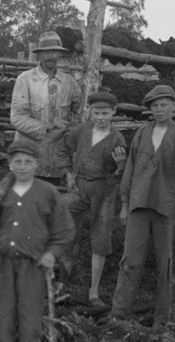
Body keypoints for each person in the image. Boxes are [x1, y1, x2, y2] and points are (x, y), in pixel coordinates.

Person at [0, 135, 74, 342]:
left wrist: (52, 253)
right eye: (17, 162)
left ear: (36, 164)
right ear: (10, 164)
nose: (22, 167)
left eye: (27, 162)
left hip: (32, 266)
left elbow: (65, 230)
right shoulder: (1, 191)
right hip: (4, 264)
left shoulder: (48, 193)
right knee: (3, 319)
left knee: (30, 323)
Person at [108, 84, 175, 327]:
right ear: (150, 109)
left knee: (166, 265)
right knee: (130, 261)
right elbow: (130, 169)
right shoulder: (142, 133)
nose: (159, 110)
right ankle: (118, 313)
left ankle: (162, 319)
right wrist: (124, 204)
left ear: (173, 107)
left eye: (164, 105)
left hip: (167, 206)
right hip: (139, 204)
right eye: (155, 106)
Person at [54, 91, 128, 303]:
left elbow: (118, 175)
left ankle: (94, 292)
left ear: (113, 112)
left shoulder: (117, 138)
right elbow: (61, 148)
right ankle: (63, 278)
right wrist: (68, 173)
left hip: (104, 190)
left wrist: (120, 166)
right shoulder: (81, 131)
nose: (100, 117)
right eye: (96, 113)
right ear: (90, 112)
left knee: (101, 237)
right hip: (79, 186)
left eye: (105, 113)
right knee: (61, 217)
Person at [10, 31, 82, 186]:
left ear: (60, 54)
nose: (50, 56)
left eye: (54, 52)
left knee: (51, 197)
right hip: (28, 158)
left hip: (56, 161)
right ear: (39, 55)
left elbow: (79, 114)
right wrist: (47, 127)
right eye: (46, 52)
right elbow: (17, 118)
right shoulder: (25, 80)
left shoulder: (69, 83)